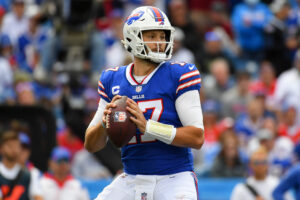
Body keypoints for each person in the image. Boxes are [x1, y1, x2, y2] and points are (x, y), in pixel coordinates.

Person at [84, 6, 205, 200]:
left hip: (174, 177)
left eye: (162, 35)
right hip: (132, 178)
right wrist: (105, 125)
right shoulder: (112, 79)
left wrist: (148, 126)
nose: (159, 42)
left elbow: (197, 137)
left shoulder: (179, 74)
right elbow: (91, 144)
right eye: (152, 36)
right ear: (132, 37)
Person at [0, 130, 43, 200]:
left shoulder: (31, 173)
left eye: (16, 146)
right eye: (10, 146)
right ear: (1, 148)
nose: (14, 149)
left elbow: (38, 197)